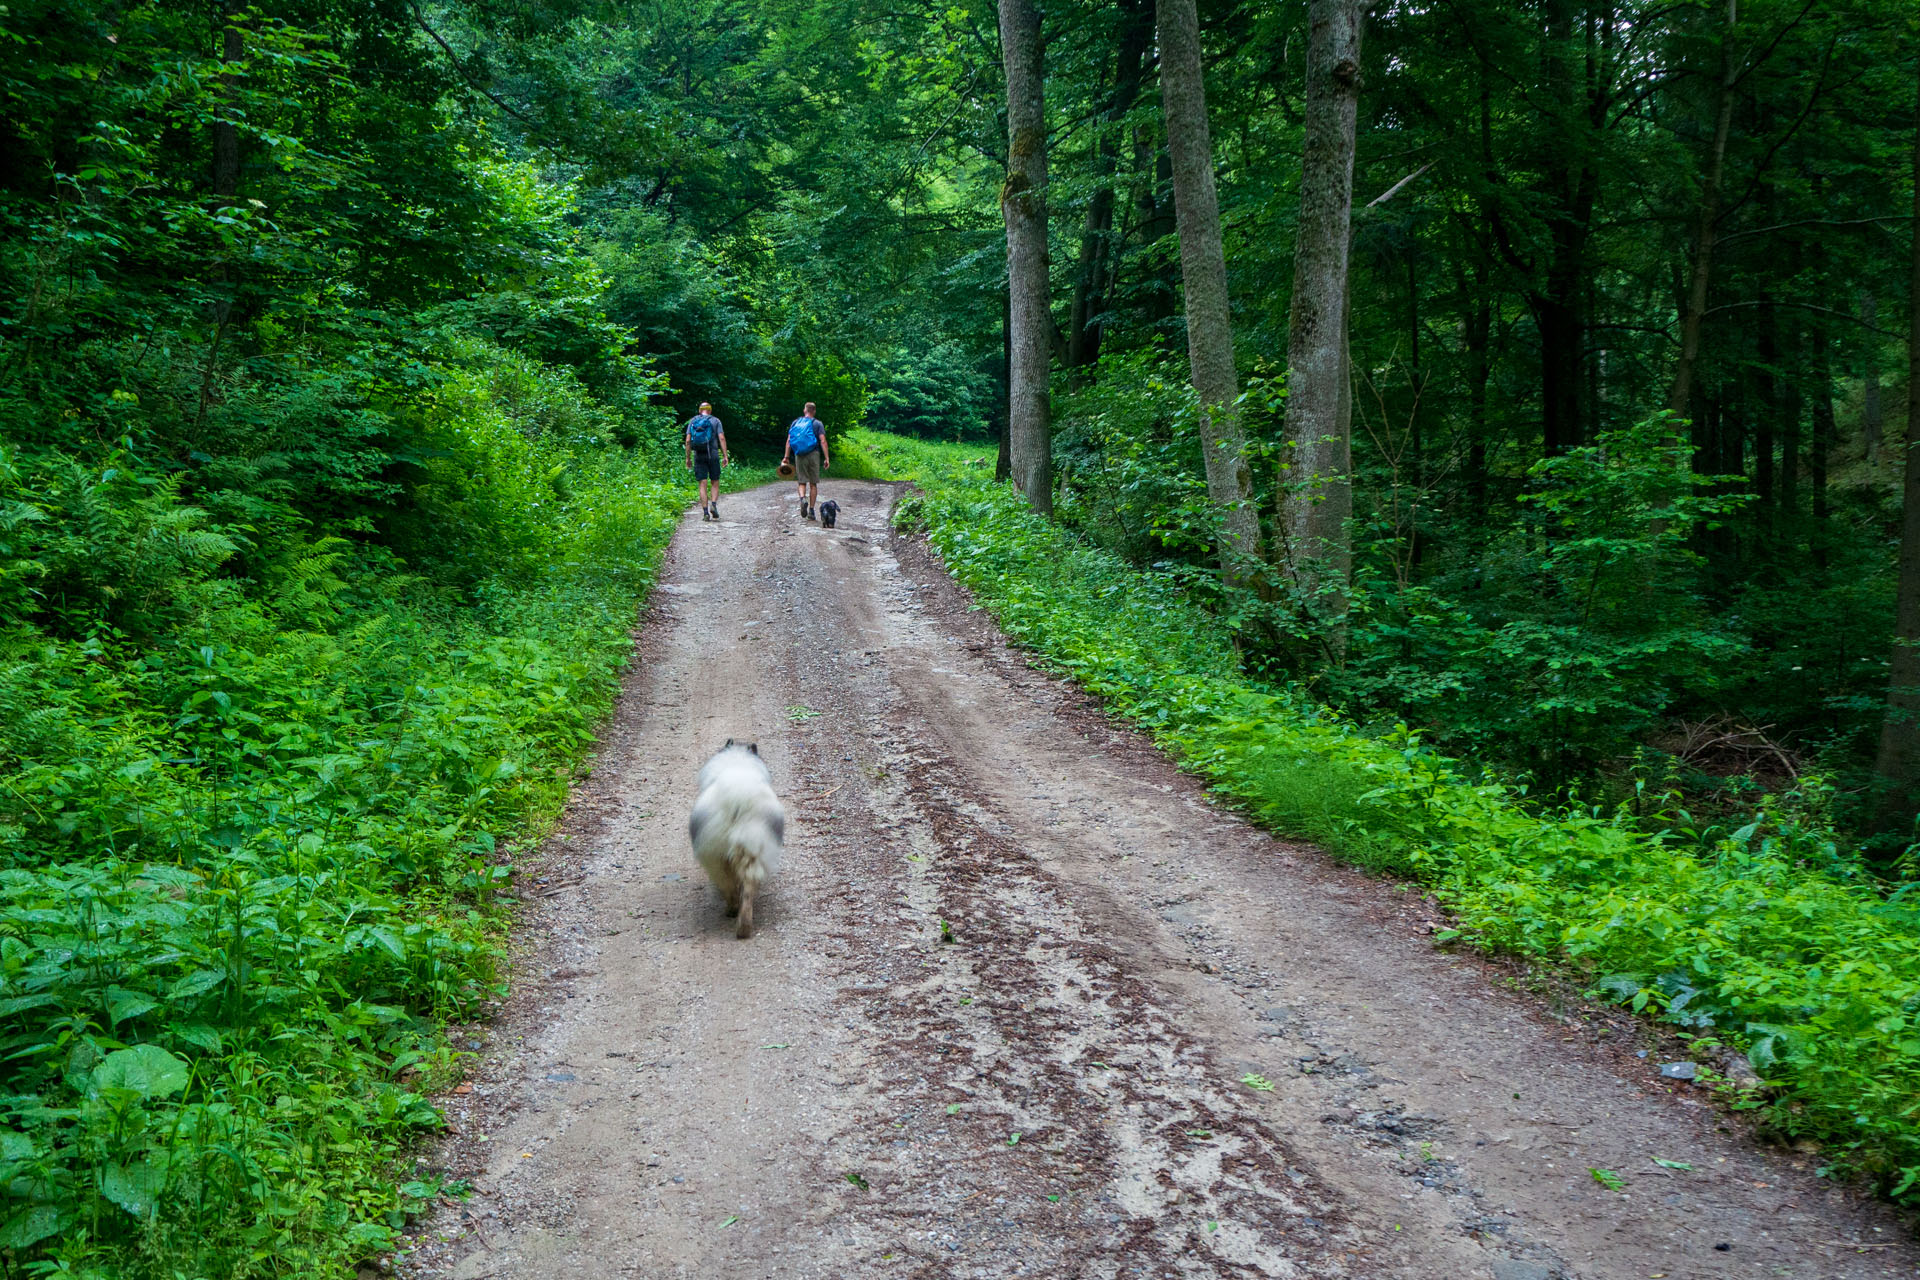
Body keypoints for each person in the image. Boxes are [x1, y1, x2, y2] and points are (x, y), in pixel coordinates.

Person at [782, 401, 829, 519]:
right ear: (814, 411)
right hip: (814, 454)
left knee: (802, 482)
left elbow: (789, 441)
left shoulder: (796, 422)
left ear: (805, 410)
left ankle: (803, 499)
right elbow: (823, 441)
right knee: (813, 484)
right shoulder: (818, 424)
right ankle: (811, 511)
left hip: (800, 455)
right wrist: (827, 458)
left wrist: (786, 457)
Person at [685, 402, 729, 521]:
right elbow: (722, 438)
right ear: (710, 410)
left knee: (702, 484)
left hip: (699, 456)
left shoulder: (693, 421)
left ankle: (705, 513)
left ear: (700, 410)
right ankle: (713, 505)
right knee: (715, 481)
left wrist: (688, 458)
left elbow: (688, 441)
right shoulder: (716, 421)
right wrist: (725, 456)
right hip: (713, 455)